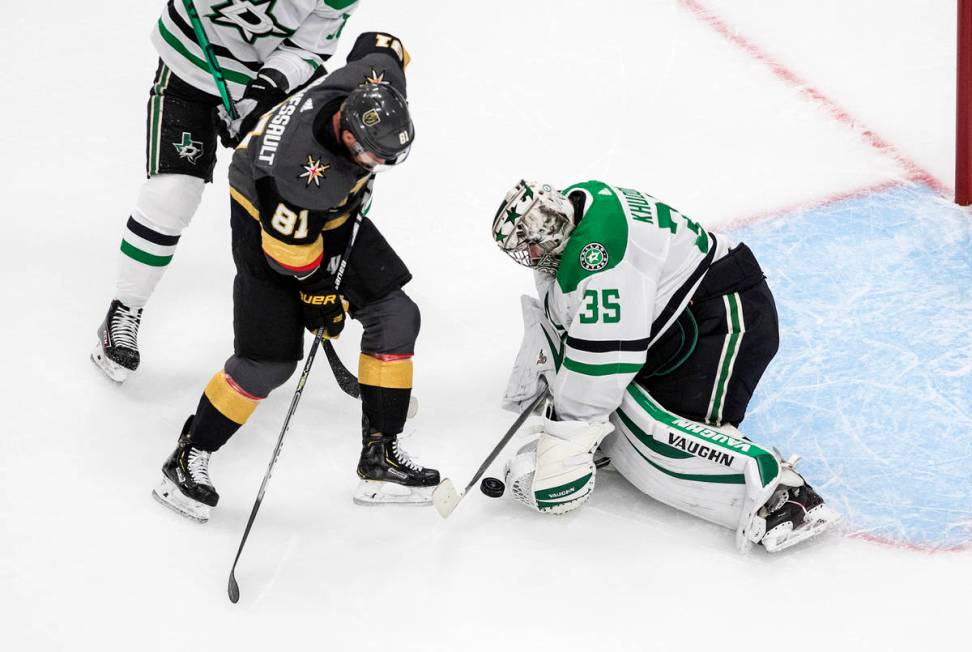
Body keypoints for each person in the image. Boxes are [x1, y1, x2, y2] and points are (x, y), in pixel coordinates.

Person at [152, 31, 440, 523]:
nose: (382, 167)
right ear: (348, 136)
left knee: (396, 314)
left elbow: (381, 43)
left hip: (328, 212)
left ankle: (380, 457)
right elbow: (289, 253)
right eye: (375, 157)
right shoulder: (296, 173)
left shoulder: (378, 84)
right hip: (265, 219)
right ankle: (187, 456)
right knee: (268, 362)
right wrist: (318, 296)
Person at [491, 180, 839, 552]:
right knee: (623, 405)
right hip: (690, 315)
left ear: (552, 227)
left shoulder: (601, 254)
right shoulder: (583, 202)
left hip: (727, 320)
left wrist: (569, 435)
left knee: (661, 435)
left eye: (529, 243)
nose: (528, 255)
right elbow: (576, 314)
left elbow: (605, 355)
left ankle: (784, 497)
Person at [92, 0, 360, 382]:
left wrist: (264, 92)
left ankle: (302, 296)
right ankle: (125, 308)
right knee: (173, 193)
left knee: (294, 194)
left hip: (265, 87)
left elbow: (309, 47)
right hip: (191, 68)